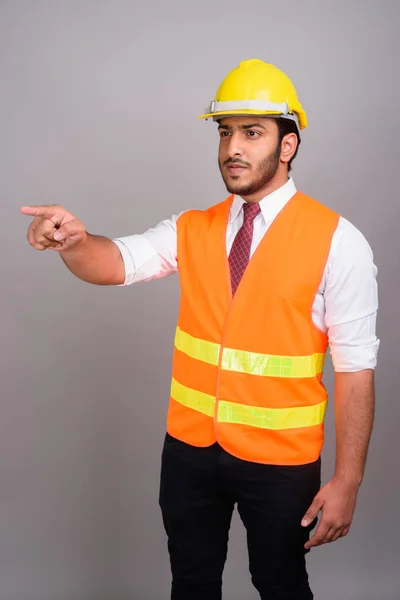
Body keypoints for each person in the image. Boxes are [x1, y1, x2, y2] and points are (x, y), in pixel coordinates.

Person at [21, 59, 379, 600]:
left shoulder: (338, 241)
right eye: (225, 131)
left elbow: (355, 370)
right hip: (189, 452)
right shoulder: (193, 227)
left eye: (252, 133)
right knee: (191, 582)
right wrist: (72, 240)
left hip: (280, 461)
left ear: (288, 145)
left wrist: (347, 481)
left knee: (280, 583)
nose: (233, 147)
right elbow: (114, 262)